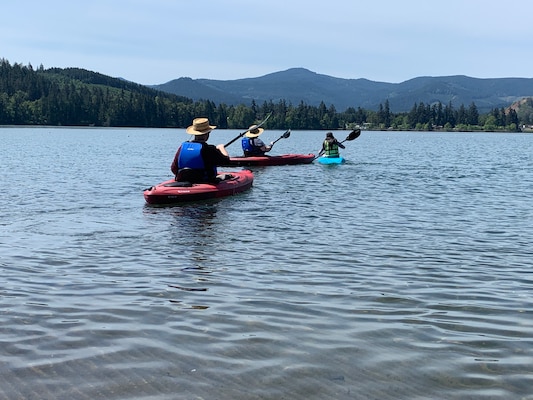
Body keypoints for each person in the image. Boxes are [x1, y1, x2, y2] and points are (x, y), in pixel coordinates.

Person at [171, 117, 230, 183]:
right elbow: (226, 161)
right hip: (204, 181)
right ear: (206, 134)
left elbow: (173, 169)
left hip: (183, 180)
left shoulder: (182, 147)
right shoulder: (209, 149)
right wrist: (221, 148)